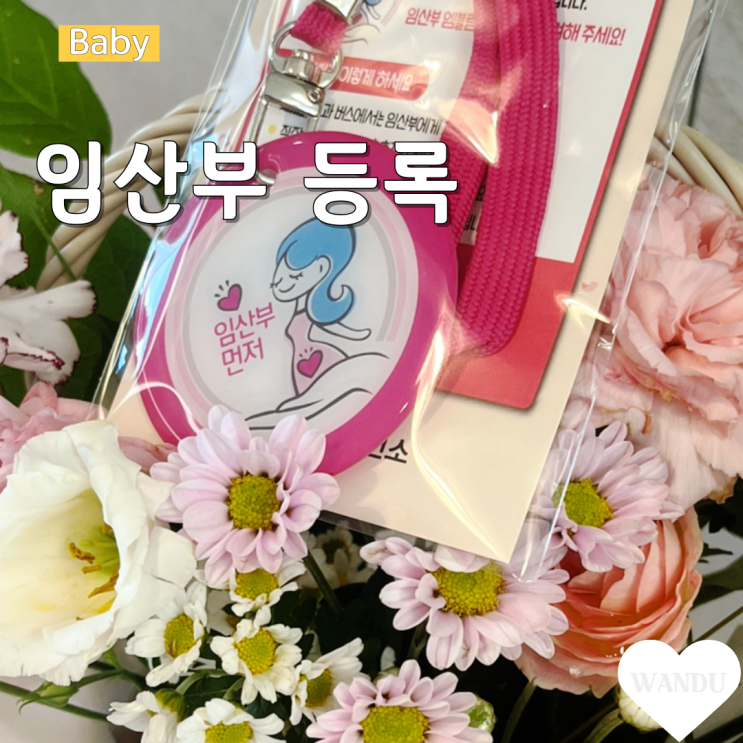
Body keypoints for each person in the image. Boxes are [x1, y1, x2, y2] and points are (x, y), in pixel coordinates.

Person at [246, 219, 387, 429]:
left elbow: (333, 327)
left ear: (322, 268)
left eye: (294, 275)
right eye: (279, 278)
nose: (281, 284)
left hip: (322, 363)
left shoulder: (314, 312)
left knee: (325, 404)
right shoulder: (296, 309)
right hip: (301, 366)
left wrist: (358, 335)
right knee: (306, 412)